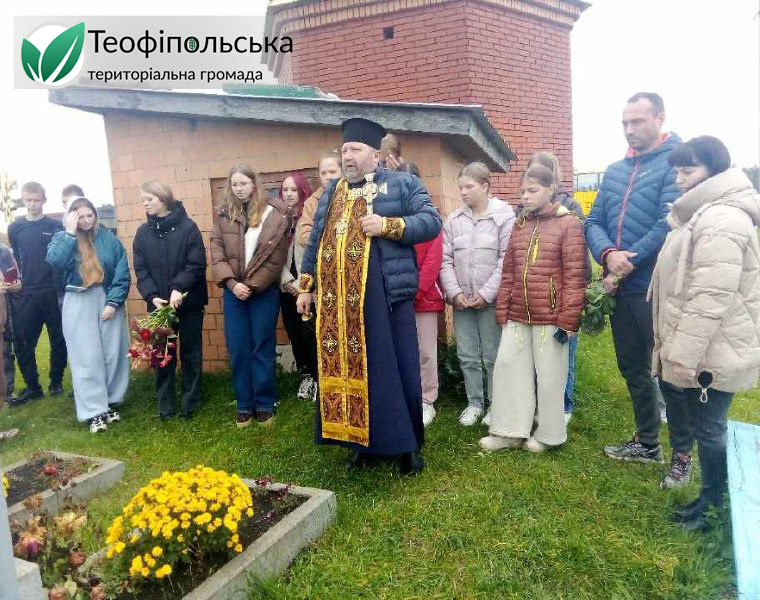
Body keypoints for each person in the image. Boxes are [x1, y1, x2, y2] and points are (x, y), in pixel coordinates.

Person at [296, 117, 441, 475]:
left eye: (355, 149)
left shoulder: (403, 184)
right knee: (355, 371)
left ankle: (408, 446)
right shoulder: (333, 191)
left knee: (395, 369)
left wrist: (390, 226)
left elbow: (431, 221)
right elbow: (317, 239)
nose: (347, 156)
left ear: (375, 155)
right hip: (340, 306)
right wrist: (306, 286)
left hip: (386, 298)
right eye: (344, 149)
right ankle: (360, 443)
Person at [649, 137, 760, 530]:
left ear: (715, 170)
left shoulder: (721, 219)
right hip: (707, 344)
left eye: (689, 170)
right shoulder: (702, 214)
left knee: (710, 430)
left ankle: (714, 510)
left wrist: (682, 355)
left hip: (714, 348)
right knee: (705, 427)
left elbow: (710, 297)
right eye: (677, 172)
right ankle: (708, 500)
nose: (680, 180)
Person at [585, 92, 681, 463]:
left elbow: (667, 222)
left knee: (670, 371)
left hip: (657, 287)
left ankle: (683, 454)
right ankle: (648, 443)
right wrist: (608, 254)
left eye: (637, 121)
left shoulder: (675, 164)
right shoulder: (615, 171)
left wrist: (626, 262)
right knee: (633, 369)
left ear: (660, 118)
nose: (629, 129)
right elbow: (593, 221)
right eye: (625, 122)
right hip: (621, 290)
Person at [479, 165, 586, 452]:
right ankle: (509, 431)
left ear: (550, 190)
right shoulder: (521, 223)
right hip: (517, 314)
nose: (525, 196)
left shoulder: (569, 224)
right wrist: (503, 308)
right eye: (522, 191)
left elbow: (575, 276)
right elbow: (509, 271)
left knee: (550, 377)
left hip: (551, 317)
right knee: (508, 369)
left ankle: (550, 435)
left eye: (532, 190)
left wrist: (568, 320)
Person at [210, 164, 292, 427]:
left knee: (261, 346)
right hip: (234, 293)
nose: (239, 189)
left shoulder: (274, 213)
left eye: (243, 183)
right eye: (234, 184)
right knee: (238, 348)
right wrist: (232, 284)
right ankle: (245, 404)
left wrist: (253, 285)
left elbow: (276, 257)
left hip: (263, 292)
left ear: (254, 184)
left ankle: (265, 403)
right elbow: (216, 252)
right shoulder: (223, 214)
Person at [45, 198, 130, 433]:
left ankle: (110, 401)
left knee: (113, 353)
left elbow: (121, 270)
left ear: (95, 215)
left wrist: (113, 302)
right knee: (86, 357)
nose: (86, 221)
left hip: (106, 296)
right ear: (72, 217)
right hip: (78, 298)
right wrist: (69, 233)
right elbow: (55, 261)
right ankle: (94, 411)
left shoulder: (108, 238)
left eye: (89, 215)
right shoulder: (62, 238)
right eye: (80, 216)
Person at [440, 162, 515, 427]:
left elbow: (506, 260)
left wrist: (486, 294)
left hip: (490, 301)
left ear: (485, 186)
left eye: (469, 187)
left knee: (493, 356)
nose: (463, 192)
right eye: (460, 187)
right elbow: (445, 260)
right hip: (462, 302)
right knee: (467, 355)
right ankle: (474, 403)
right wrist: (455, 293)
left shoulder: (503, 217)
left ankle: (496, 404)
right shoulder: (454, 220)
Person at [133, 180, 208, 420]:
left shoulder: (188, 228)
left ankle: (191, 403)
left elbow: (196, 263)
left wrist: (178, 288)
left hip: (189, 303)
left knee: (190, 352)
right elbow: (141, 270)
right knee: (162, 354)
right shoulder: (142, 234)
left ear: (163, 198)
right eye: (143, 200)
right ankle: (165, 406)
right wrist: (152, 296)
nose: (145, 204)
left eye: (149, 199)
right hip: (159, 307)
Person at [527, 152, 587, 423]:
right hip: (534, 295)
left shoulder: (570, 208)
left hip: (561, 293)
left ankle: (564, 406)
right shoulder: (525, 212)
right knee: (537, 356)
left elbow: (577, 258)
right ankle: (538, 403)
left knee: (563, 352)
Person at [7, 182, 67, 405]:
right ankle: (33, 387)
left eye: (36, 200)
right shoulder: (15, 228)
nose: (32, 204)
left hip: (52, 291)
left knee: (58, 339)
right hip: (27, 292)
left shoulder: (55, 226)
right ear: (23, 200)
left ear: (44, 200)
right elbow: (16, 258)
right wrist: (18, 281)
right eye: (28, 200)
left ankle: (56, 381)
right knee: (23, 342)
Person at [399, 162, 445, 427]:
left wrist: (414, 292)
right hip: (398, 299)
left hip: (423, 298)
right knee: (403, 351)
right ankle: (407, 396)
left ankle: (428, 399)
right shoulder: (390, 220)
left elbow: (432, 262)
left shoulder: (431, 218)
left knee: (426, 352)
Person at [279, 172, 319, 401]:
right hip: (286, 287)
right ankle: (306, 375)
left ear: (303, 191)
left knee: (310, 333)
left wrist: (301, 285)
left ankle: (318, 376)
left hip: (307, 288)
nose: (289, 194)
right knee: (294, 332)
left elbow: (313, 254)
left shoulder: (309, 216)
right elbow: (273, 255)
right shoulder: (279, 220)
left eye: (294, 190)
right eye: (285, 190)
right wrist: (286, 280)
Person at [296, 150, 342, 249]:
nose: (328, 177)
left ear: (343, 172)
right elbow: (303, 237)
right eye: (323, 173)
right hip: (323, 254)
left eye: (332, 172)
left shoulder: (353, 194)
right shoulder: (312, 202)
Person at [0, 244, 21, 410]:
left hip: (5, 308)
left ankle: (7, 392)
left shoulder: (4, 251)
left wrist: (16, 284)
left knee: (5, 351)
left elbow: (16, 274)